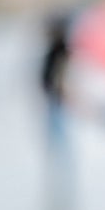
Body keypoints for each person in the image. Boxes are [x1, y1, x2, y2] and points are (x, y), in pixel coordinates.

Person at [38, 12, 72, 148]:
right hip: (53, 96)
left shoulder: (61, 49)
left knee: (60, 129)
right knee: (55, 130)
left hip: (58, 96)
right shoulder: (56, 48)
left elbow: (60, 74)